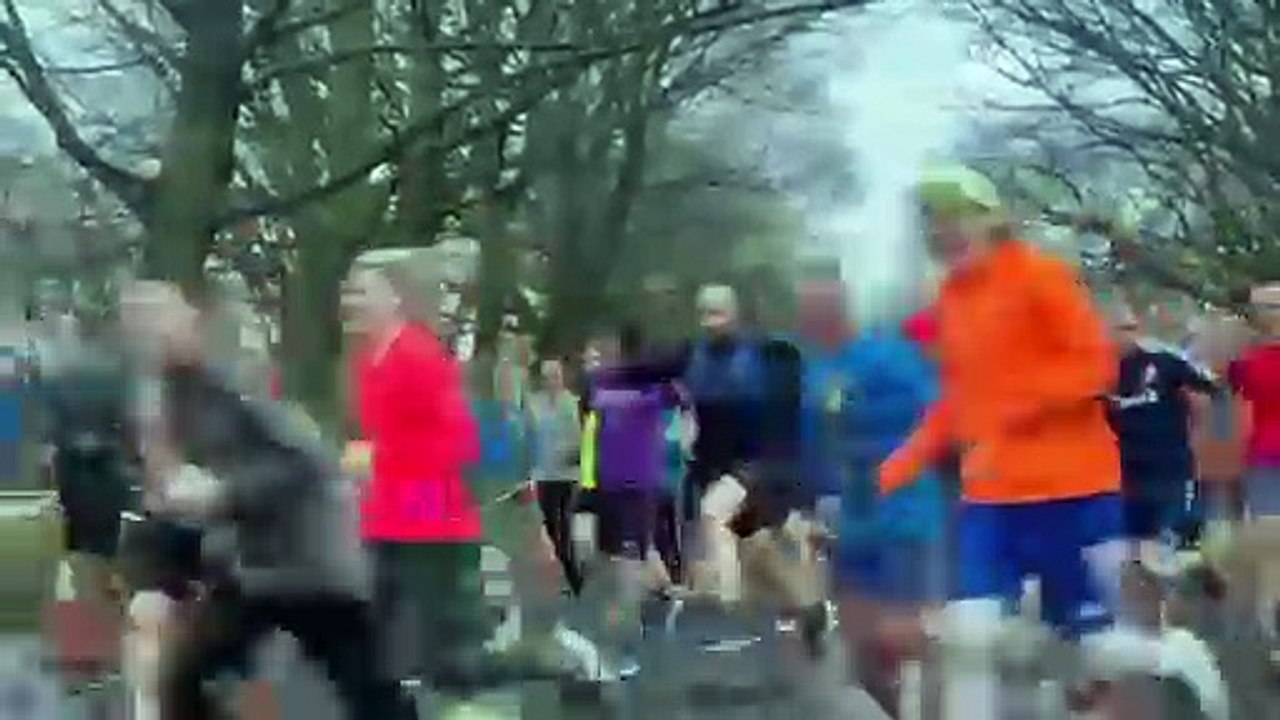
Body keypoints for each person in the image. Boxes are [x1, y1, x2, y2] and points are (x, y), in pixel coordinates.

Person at [878, 164, 1129, 718]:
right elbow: (955, 405)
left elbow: (1095, 366)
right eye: (935, 221)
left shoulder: (1042, 277)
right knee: (970, 635)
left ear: (993, 220)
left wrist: (1016, 401)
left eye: (958, 216)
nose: (946, 230)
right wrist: (890, 474)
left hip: (1075, 493)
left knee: (1096, 652)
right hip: (993, 498)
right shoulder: (951, 300)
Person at [117, 279, 415, 720]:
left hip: (310, 556)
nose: (148, 334)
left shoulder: (234, 379)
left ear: (185, 319)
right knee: (184, 677)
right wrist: (157, 562)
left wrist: (225, 492)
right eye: (137, 324)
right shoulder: (162, 397)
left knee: (366, 684)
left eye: (157, 319)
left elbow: (305, 463)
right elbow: (169, 490)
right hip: (253, 565)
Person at [797, 282, 946, 716]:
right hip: (852, 521)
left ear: (840, 313)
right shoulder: (817, 372)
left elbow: (934, 416)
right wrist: (815, 506)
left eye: (817, 312)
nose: (809, 323)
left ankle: (943, 694)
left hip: (904, 514)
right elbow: (814, 445)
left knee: (898, 635)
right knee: (862, 658)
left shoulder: (890, 357)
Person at [342, 261, 488, 691]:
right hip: (384, 508)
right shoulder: (367, 360)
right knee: (378, 620)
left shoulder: (421, 355)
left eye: (363, 292)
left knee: (434, 641)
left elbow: (459, 443)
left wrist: (380, 458)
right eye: (350, 293)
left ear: (395, 298)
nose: (352, 302)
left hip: (429, 508)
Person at [1105, 303, 1219, 569]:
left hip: (1169, 466)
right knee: (1134, 550)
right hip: (1124, 472)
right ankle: (1145, 599)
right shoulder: (1097, 372)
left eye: (1130, 328)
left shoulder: (1163, 363)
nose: (1124, 335)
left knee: (1173, 548)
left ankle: (1188, 594)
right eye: (1117, 329)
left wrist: (1200, 433)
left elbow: (1210, 392)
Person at [1227, 281, 1280, 641]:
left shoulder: (1246, 362)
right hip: (1264, 460)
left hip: (1263, 458)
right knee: (1271, 553)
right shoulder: (1246, 362)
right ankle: (1272, 635)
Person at [525, 358, 585, 595]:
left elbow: (582, 438)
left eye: (556, 375)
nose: (552, 380)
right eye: (548, 376)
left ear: (562, 377)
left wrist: (575, 453)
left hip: (567, 474)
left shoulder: (573, 403)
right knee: (549, 527)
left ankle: (573, 578)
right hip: (543, 474)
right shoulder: (534, 404)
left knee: (565, 526)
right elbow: (529, 435)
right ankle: (557, 578)